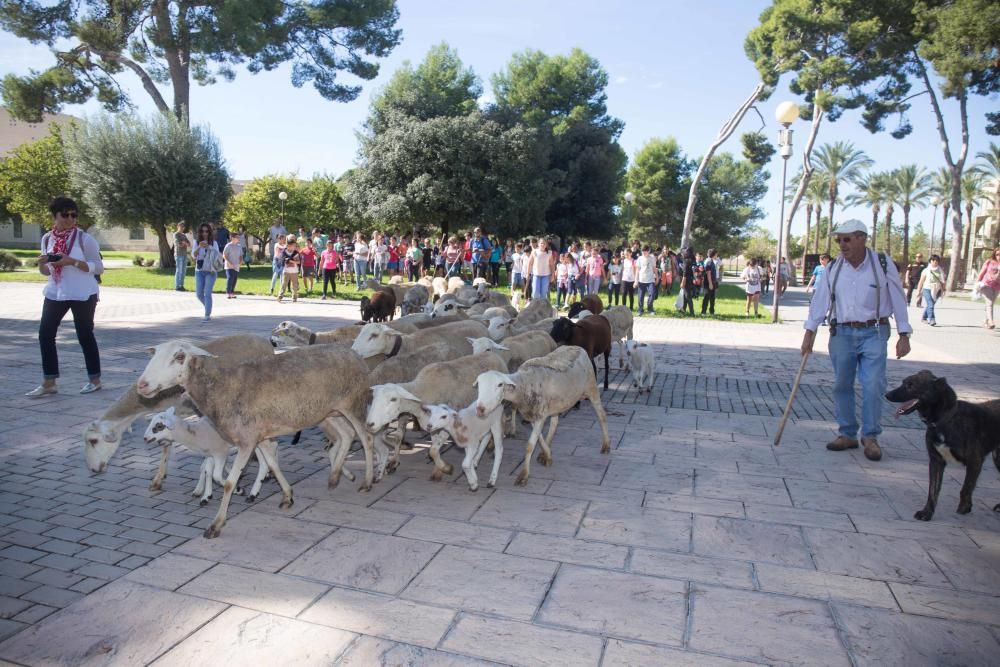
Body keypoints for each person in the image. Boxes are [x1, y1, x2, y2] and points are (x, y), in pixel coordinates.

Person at [801, 219, 912, 462]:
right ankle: (847, 433)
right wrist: (809, 332)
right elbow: (820, 300)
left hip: (874, 331)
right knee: (842, 384)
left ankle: (870, 437)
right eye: (838, 239)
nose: (842, 244)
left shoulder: (881, 264)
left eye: (847, 239)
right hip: (841, 333)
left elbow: (897, 298)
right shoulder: (833, 268)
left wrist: (904, 333)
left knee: (873, 384)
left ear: (862, 238)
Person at [26, 197, 104, 397]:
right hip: (56, 292)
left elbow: (98, 266)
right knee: (45, 334)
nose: (70, 218)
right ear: (55, 216)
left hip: (83, 293)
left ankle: (94, 380)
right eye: (65, 214)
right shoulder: (47, 239)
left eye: (73, 214)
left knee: (85, 335)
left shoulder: (84, 239)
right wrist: (42, 263)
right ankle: (49, 381)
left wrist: (72, 262)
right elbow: (46, 272)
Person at [193, 223, 222, 322]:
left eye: (206, 231)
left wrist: (208, 247)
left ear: (210, 232)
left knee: (207, 292)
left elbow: (217, 255)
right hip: (199, 270)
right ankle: (208, 307)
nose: (204, 233)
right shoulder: (196, 242)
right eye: (202, 231)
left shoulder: (214, 243)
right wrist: (199, 247)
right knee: (199, 294)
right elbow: (193, 256)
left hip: (211, 270)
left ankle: (207, 315)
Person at [914, 254, 944, 326]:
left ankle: (924, 317)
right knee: (930, 304)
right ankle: (931, 319)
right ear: (930, 261)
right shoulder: (926, 270)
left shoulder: (940, 271)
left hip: (937, 289)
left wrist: (943, 290)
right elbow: (921, 281)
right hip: (927, 288)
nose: (935, 262)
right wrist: (918, 290)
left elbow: (943, 281)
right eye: (933, 260)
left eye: (937, 261)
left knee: (931, 305)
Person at [524, 238, 556, 303]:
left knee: (543, 294)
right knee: (535, 292)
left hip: (546, 276)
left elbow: (552, 265)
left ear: (546, 245)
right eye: (541, 243)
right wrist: (528, 274)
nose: (543, 244)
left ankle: (542, 308)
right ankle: (535, 306)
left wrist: (553, 275)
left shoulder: (549, 253)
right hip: (536, 275)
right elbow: (530, 263)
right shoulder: (534, 252)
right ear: (538, 244)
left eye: (544, 243)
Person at [976, 247, 1000, 329]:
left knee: (990, 303)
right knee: (989, 302)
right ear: (994, 254)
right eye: (997, 254)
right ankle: (991, 321)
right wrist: (977, 284)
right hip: (986, 284)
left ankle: (985, 321)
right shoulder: (989, 262)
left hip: (997, 286)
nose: (999, 256)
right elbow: (982, 273)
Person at [635, 246, 656, 316]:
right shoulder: (639, 259)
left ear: (649, 251)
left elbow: (654, 268)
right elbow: (637, 270)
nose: (644, 252)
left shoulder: (652, 258)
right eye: (643, 251)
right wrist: (636, 280)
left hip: (650, 280)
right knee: (640, 296)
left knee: (652, 294)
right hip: (641, 280)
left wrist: (657, 277)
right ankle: (640, 309)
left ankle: (650, 308)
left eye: (645, 251)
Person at [278, 236, 301, 302]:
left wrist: (291, 261)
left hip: (294, 271)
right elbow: (281, 259)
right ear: (288, 246)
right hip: (286, 271)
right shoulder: (284, 252)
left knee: (294, 285)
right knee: (283, 284)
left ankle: (294, 297)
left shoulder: (295, 253)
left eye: (294, 246)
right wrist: (284, 259)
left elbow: (298, 262)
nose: (294, 247)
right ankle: (280, 296)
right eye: (292, 246)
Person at [222, 232, 243, 299]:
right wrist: (229, 262)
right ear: (232, 238)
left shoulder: (239, 246)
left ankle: (232, 292)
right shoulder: (228, 246)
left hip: (236, 266)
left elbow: (241, 255)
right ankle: (228, 293)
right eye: (237, 237)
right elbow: (224, 255)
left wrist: (241, 261)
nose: (238, 238)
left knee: (234, 280)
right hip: (229, 266)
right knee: (230, 278)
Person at [172, 222, 191, 291]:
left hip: (184, 254)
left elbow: (189, 244)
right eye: (181, 226)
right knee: (179, 270)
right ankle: (177, 286)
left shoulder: (184, 235)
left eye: (183, 226)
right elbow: (179, 244)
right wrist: (184, 243)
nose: (182, 228)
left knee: (183, 271)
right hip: (178, 254)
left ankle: (181, 285)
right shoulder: (176, 234)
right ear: (178, 226)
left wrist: (184, 243)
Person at [701, 248, 719, 315]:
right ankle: (703, 312)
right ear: (713, 255)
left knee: (712, 298)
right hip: (708, 283)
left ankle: (712, 311)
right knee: (707, 297)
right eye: (716, 254)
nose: (717, 256)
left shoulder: (711, 261)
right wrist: (710, 284)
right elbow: (708, 273)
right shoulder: (709, 262)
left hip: (712, 282)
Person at [678, 247, 696, 316]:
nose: (682, 255)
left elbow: (685, 273)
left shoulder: (686, 261)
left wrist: (683, 282)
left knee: (688, 296)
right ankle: (683, 310)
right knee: (685, 296)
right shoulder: (692, 260)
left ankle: (692, 312)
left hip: (686, 280)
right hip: (691, 279)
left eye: (682, 253)